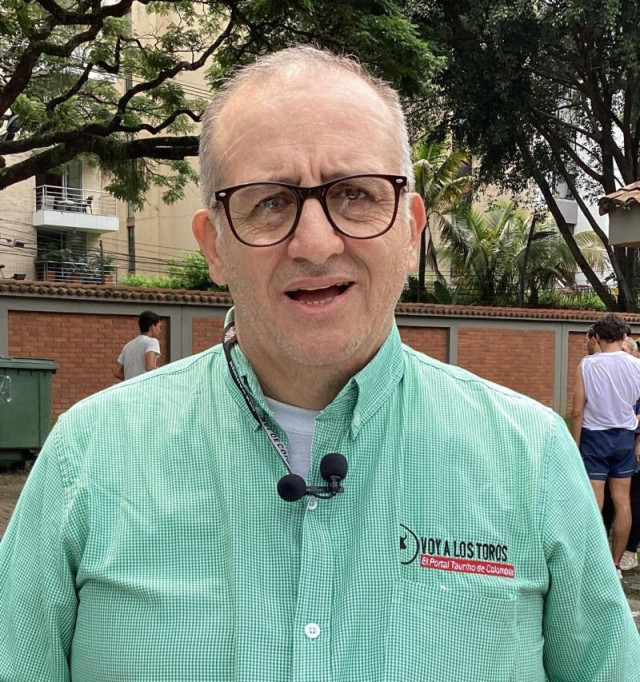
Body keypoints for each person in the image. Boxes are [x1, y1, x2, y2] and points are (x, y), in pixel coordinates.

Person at [1, 47, 638, 682]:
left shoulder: (531, 458)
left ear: (410, 230)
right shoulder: (89, 455)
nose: (314, 243)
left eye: (356, 194)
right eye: (268, 202)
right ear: (214, 246)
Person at [570, 312, 640, 578]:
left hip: (594, 438)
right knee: (622, 502)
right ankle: (616, 564)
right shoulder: (636, 365)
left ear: (597, 337)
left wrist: (575, 446)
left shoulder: (587, 365)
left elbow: (577, 411)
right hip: (624, 437)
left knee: (593, 503)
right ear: (624, 336)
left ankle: (591, 562)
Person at [113, 310, 162, 380]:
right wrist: (165, 373)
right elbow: (150, 366)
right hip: (145, 385)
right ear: (152, 327)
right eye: (159, 326)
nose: (160, 330)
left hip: (131, 386)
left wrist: (131, 380)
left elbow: (117, 372)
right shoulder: (152, 342)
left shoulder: (127, 346)